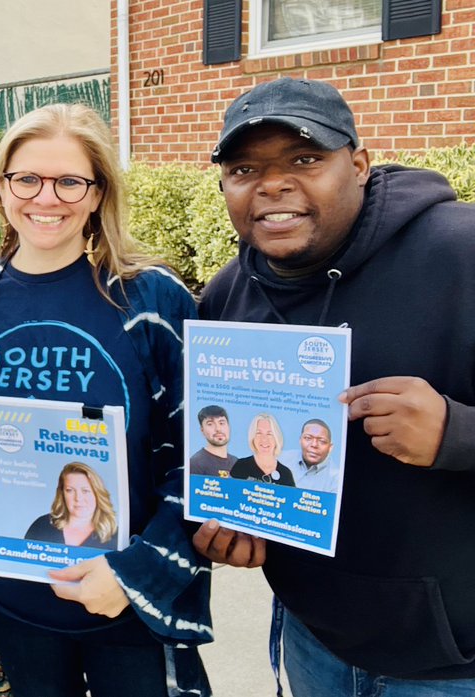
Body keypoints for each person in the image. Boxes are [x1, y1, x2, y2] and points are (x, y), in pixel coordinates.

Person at [193, 77, 475, 694]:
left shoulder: (462, 253)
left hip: (453, 663)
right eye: (244, 169)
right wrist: (236, 518)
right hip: (312, 634)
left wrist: (458, 433)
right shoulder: (227, 297)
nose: (272, 184)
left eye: (304, 159)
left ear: (360, 164)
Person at [0, 103, 212, 697]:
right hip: (4, 606)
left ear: (97, 194)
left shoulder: (150, 301)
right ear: (3, 189)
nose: (47, 197)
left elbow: (203, 457)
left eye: (70, 181)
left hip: (123, 608)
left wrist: (135, 575)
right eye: (27, 179)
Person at [23, 462, 117, 549]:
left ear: (97, 494)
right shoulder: (42, 526)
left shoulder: (115, 535)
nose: (78, 498)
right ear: (62, 493)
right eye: (70, 490)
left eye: (85, 491)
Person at [229, 413, 296, 486]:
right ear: (253, 437)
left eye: (269, 434)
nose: (264, 439)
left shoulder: (285, 474)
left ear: (277, 438)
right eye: (259, 433)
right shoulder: (241, 466)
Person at [189, 405, 237, 477]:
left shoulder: (237, 463)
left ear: (228, 426)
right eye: (210, 424)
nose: (218, 429)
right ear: (202, 430)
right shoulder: (196, 463)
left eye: (221, 423)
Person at [293, 419, 337, 493]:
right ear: (300, 440)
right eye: (308, 438)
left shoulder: (336, 478)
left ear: (330, 447)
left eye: (322, 441)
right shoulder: (281, 459)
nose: (314, 445)